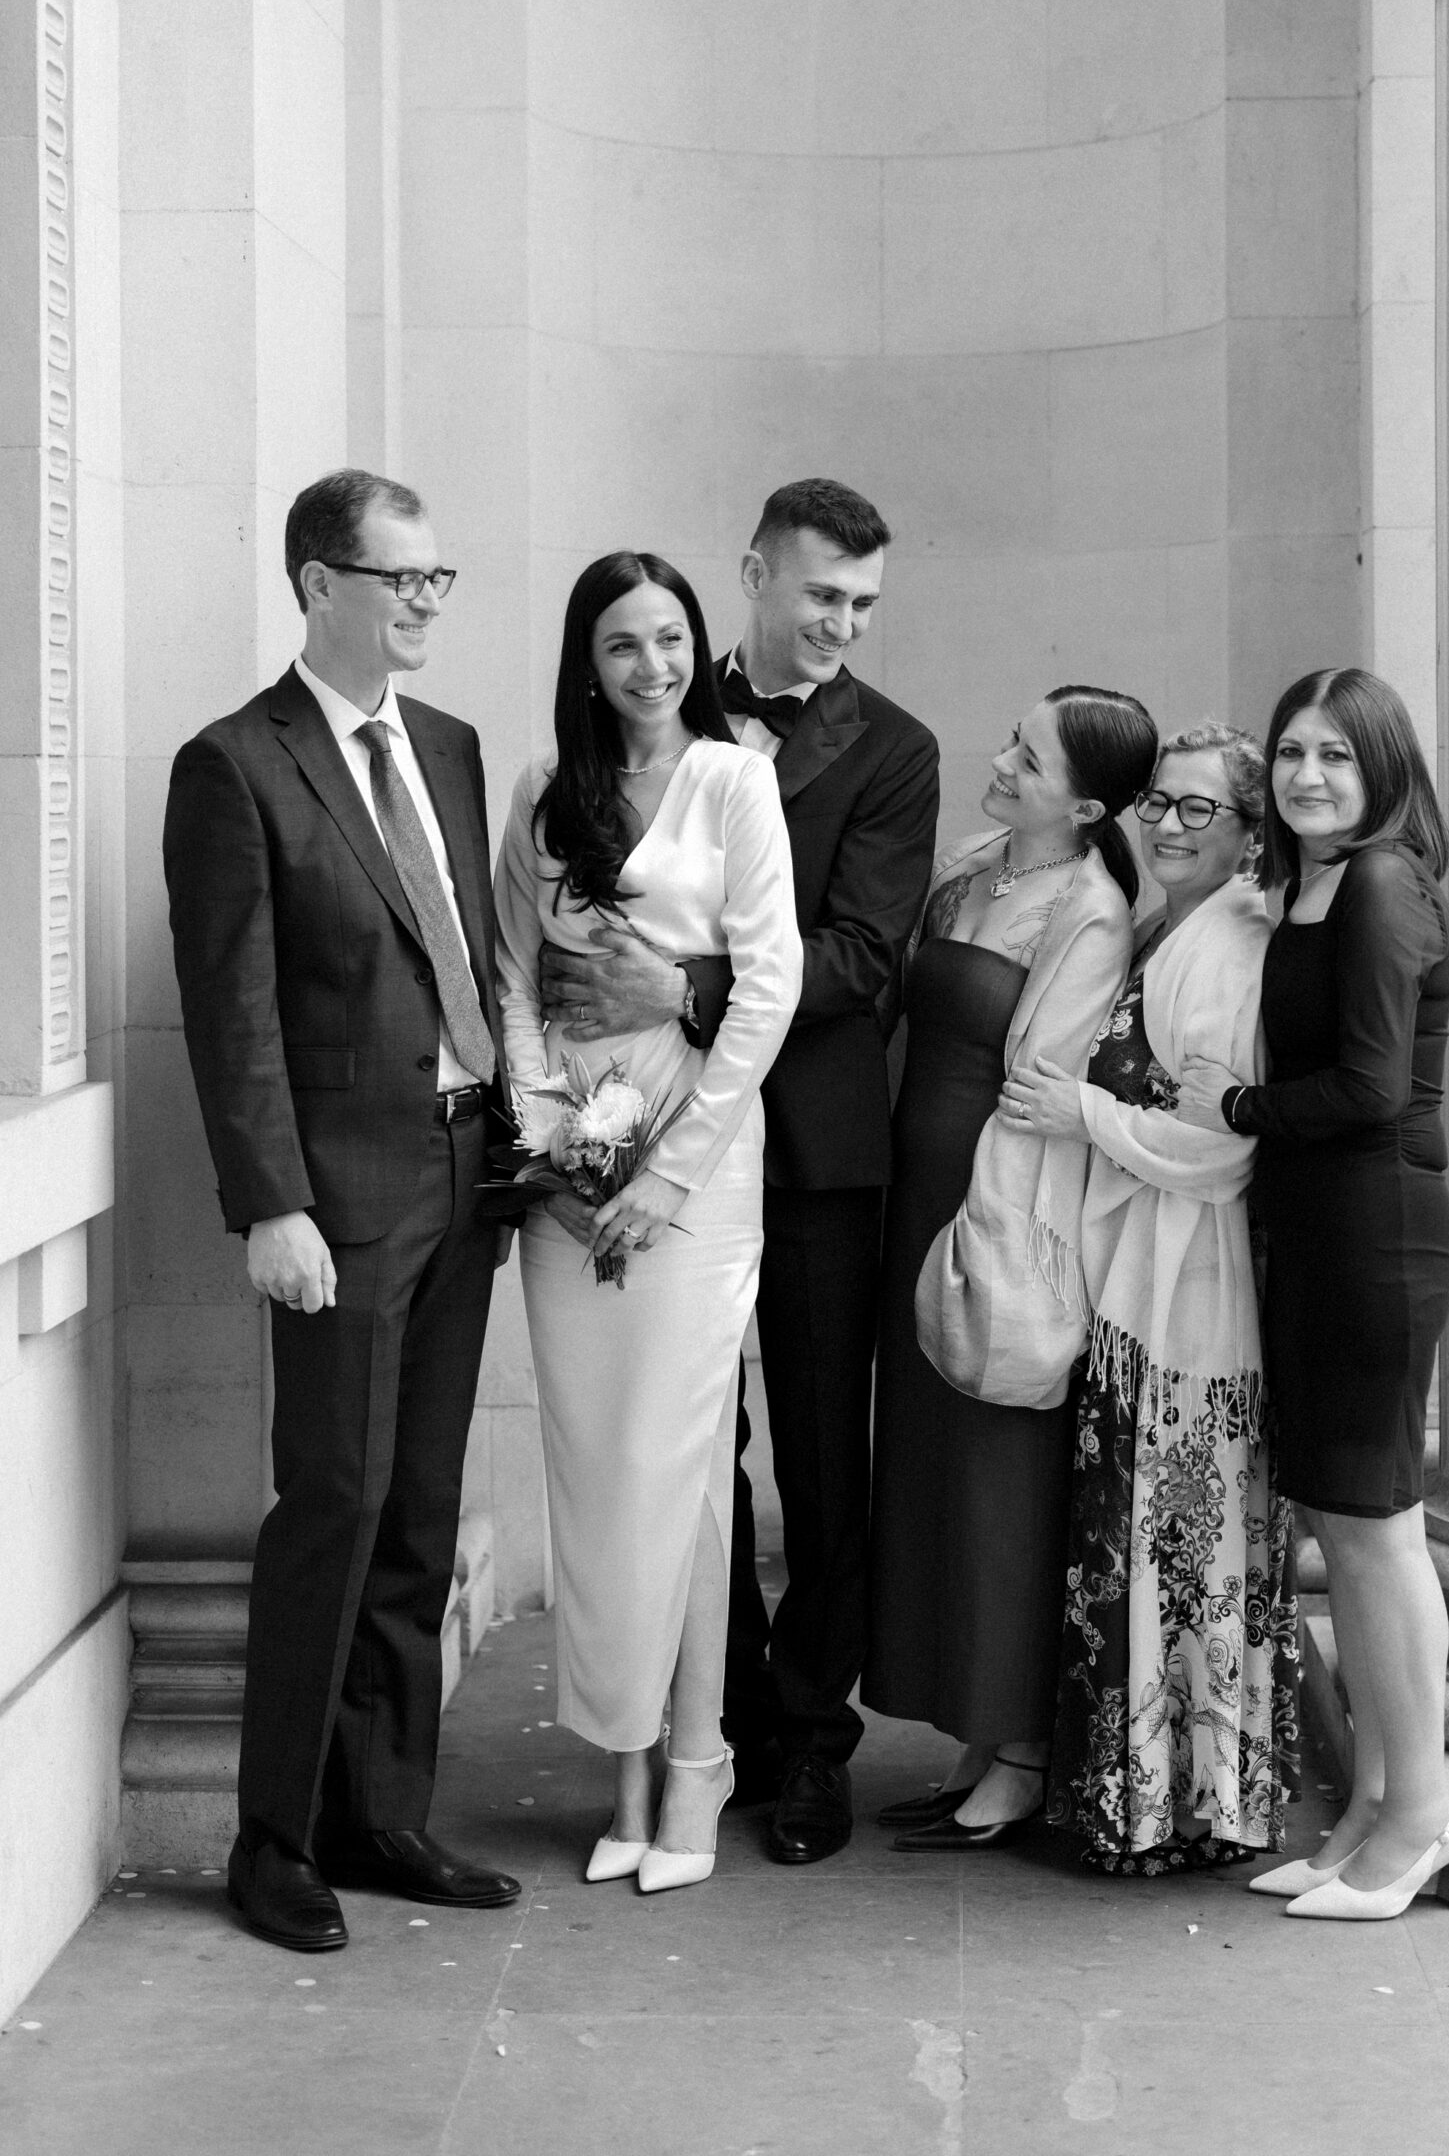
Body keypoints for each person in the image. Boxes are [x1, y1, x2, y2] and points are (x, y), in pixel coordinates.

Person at [536, 481, 939, 1868]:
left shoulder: (893, 749)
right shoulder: (646, 698)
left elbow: (864, 958)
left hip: (814, 1147)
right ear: (755, 575)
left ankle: (813, 1742)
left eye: (863, 604)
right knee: (691, 1450)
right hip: (638, 1132)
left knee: (819, 1458)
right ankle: (726, 1723)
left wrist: (682, 986)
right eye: (821, 593)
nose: (841, 624)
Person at [164, 470, 521, 1954]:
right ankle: (274, 1841)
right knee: (333, 1506)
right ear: (320, 584)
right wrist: (273, 1206)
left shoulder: (448, 746)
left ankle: (382, 1815)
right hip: (343, 1204)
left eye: (439, 577)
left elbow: (466, 952)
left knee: (419, 1513)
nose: (427, 600)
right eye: (402, 578)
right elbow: (232, 1008)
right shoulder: (234, 765)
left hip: (466, 1171)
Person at [494, 551, 801, 1894]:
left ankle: (697, 1761)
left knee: (676, 1463)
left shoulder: (734, 780)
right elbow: (511, 981)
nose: (653, 667)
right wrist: (545, 1143)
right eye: (623, 643)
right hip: (566, 1169)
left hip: (696, 1162)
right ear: (587, 659)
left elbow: (770, 985)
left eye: (671, 638)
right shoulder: (538, 792)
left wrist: (669, 1174)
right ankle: (620, 1770)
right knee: (593, 1467)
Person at [1183, 666, 1449, 1922]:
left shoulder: (1383, 881)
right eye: (1293, 751)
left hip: (1374, 1236)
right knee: (1344, 1524)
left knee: (1378, 1525)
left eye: (1337, 755)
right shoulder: (1315, 882)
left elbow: (1369, 1085)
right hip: (1314, 1231)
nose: (1308, 774)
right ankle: (1371, 1807)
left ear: (1383, 769)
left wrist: (1235, 1104)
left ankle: (1425, 1815)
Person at [864, 686, 1157, 1849]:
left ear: (1084, 805)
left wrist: (987, 1227)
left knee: (1000, 1472)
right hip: (915, 1187)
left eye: (1027, 758)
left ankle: (1025, 1750)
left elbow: (1040, 1092)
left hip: (996, 1205)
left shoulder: (1091, 911)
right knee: (931, 1468)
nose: (1001, 761)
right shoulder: (972, 867)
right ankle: (975, 1736)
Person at [1024, 724, 1300, 1873]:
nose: (1170, 825)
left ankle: (1192, 1803)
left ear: (1248, 834)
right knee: (1150, 1535)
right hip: (1144, 1279)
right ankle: (1148, 1798)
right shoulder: (1165, 926)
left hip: (1196, 1291)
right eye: (1159, 804)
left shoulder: (1234, 944)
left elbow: (1222, 1148)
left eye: (1199, 809)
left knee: (1186, 1536)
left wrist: (1082, 1113)